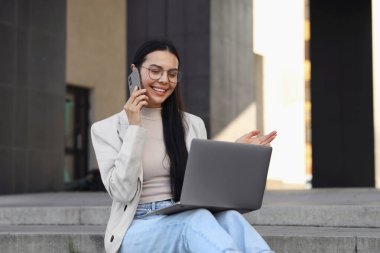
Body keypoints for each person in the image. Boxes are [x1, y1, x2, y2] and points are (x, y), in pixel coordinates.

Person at [91, 39, 277, 253]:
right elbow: (122, 192)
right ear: (134, 71)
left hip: (181, 211)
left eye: (172, 74)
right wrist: (134, 129)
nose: (164, 80)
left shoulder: (192, 123)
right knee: (195, 220)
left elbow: (201, 184)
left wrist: (234, 152)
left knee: (231, 218)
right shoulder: (105, 129)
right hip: (136, 226)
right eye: (155, 71)